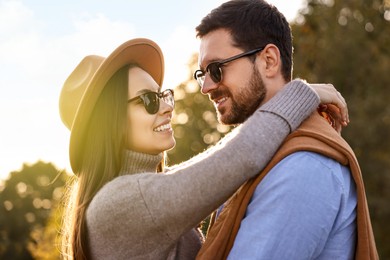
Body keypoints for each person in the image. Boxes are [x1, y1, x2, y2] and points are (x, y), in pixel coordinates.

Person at [58, 38, 347, 260]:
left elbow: (217, 167)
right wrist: (301, 94)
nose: (167, 108)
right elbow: (238, 157)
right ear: (109, 123)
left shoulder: (140, 194)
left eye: (163, 95)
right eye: (148, 100)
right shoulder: (118, 204)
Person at [193, 1, 378, 259]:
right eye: (202, 74)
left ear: (269, 61)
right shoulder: (259, 158)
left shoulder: (303, 167)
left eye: (216, 69)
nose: (206, 87)